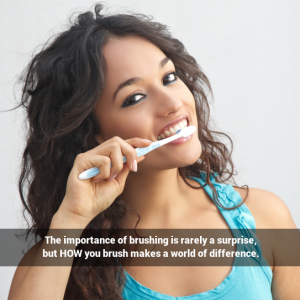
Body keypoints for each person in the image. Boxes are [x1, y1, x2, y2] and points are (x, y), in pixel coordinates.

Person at [7, 3, 300, 300]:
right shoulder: (56, 262)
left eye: (169, 78)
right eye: (134, 97)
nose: (172, 103)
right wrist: (71, 219)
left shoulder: (265, 218)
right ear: (90, 133)